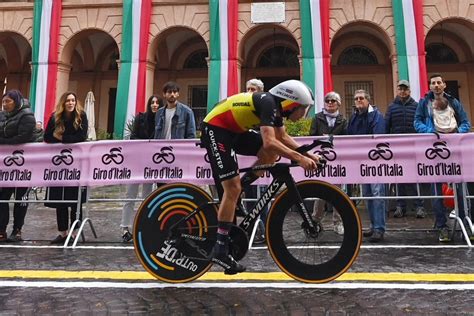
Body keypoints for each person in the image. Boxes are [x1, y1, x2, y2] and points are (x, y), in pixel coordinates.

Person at [200, 79, 320, 274]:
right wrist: (299, 158)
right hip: (216, 129)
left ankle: (238, 190)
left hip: (234, 130)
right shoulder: (269, 103)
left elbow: (282, 138)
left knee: (270, 155)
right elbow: (270, 140)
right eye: (304, 109)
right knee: (233, 187)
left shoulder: (275, 107)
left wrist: (308, 155)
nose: (304, 114)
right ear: (293, 103)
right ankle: (220, 249)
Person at [414, 73, 471, 242]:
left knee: (459, 187)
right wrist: (429, 132)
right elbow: (417, 122)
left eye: (439, 82)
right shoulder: (424, 103)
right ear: (430, 86)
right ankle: (442, 226)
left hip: (454, 150)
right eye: (433, 83)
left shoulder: (454, 102)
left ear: (444, 85)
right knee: (436, 188)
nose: (437, 85)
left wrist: (458, 134)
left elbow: (465, 122)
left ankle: (463, 223)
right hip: (435, 151)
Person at [44, 92, 88, 244]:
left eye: (73, 100)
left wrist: (61, 138)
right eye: (68, 101)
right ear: (63, 103)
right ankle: (63, 232)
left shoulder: (81, 116)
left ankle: (75, 232)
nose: (70, 103)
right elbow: (47, 137)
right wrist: (62, 139)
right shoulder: (55, 117)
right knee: (59, 199)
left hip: (77, 164)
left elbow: (81, 137)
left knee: (75, 199)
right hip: (58, 165)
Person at [347, 89, 387, 242]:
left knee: (378, 194)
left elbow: (378, 136)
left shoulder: (376, 116)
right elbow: (350, 135)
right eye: (356, 99)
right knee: (368, 195)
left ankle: (379, 228)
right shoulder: (354, 117)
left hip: (375, 161)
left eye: (361, 98)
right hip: (361, 162)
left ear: (368, 100)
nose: (358, 101)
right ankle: (373, 225)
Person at [120, 95, 160, 242]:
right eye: (152, 102)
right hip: (136, 161)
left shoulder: (161, 121)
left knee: (147, 196)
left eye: (157, 103)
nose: (155, 105)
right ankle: (125, 228)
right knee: (130, 195)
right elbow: (133, 136)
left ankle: (145, 225)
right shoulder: (140, 118)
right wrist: (146, 144)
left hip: (151, 163)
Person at [385, 80, 426, 219]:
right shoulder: (391, 107)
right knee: (399, 178)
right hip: (397, 149)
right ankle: (400, 207)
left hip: (413, 147)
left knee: (415, 178)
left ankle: (419, 206)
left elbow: (421, 124)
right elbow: (386, 127)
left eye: (405, 89)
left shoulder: (417, 106)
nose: (403, 91)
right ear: (397, 90)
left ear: (409, 90)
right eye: (400, 89)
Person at [0, 90, 36, 242]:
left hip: (24, 165)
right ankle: (1, 229)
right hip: (5, 166)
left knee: (21, 198)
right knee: (2, 198)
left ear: (16, 101)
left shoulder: (27, 116)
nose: (4, 104)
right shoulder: (2, 116)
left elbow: (23, 137)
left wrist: (3, 141)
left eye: (8, 101)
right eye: (3, 102)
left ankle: (17, 229)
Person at [309, 91, 347, 235]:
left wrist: (332, 138)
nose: (330, 103)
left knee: (338, 192)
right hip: (321, 159)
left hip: (338, 160)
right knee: (321, 192)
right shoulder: (317, 118)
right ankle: (315, 221)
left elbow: (347, 137)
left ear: (339, 103)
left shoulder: (343, 120)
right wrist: (321, 138)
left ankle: (338, 223)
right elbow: (311, 136)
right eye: (327, 101)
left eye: (333, 101)